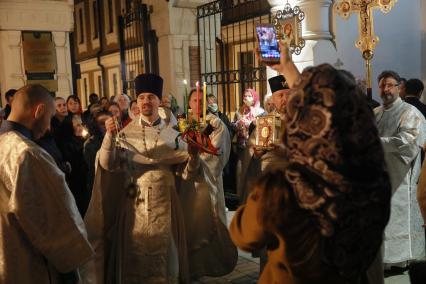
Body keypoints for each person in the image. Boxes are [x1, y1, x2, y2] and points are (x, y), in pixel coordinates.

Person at [230, 47, 392, 283]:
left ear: (304, 124)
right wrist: (287, 68)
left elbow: (244, 235)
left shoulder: (284, 187)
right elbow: (325, 106)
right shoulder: (374, 179)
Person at [82, 73, 199, 283]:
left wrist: (194, 155)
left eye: (151, 97)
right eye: (142, 97)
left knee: (167, 260)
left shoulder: (174, 133)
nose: (146, 101)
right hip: (134, 203)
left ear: (158, 100)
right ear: (137, 101)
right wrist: (109, 136)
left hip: (166, 202)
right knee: (134, 257)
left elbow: (188, 174)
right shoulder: (126, 131)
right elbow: (108, 164)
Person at [0, 84, 93, 283]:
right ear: (39, 110)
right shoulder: (27, 154)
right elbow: (53, 222)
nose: (49, 126)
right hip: (29, 263)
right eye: (50, 117)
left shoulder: (3, 145)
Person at [179, 90, 237, 279]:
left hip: (208, 181)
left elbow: (217, 154)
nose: (197, 104)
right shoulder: (183, 123)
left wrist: (195, 161)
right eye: (194, 100)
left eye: (201, 100)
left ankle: (211, 264)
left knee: (210, 222)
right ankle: (191, 266)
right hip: (187, 184)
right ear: (189, 103)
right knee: (190, 225)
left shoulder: (215, 123)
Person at [374, 70, 426, 268]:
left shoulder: (409, 112)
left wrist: (376, 142)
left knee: (397, 213)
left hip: (400, 174)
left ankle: (400, 260)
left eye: (390, 85)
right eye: (382, 85)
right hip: (378, 175)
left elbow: (409, 140)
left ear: (399, 87)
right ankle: (383, 260)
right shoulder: (375, 113)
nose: (386, 89)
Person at [83, 110, 112, 197]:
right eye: (102, 123)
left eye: (109, 122)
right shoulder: (90, 144)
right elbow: (95, 166)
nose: (107, 126)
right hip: (99, 184)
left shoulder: (119, 139)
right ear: (95, 125)